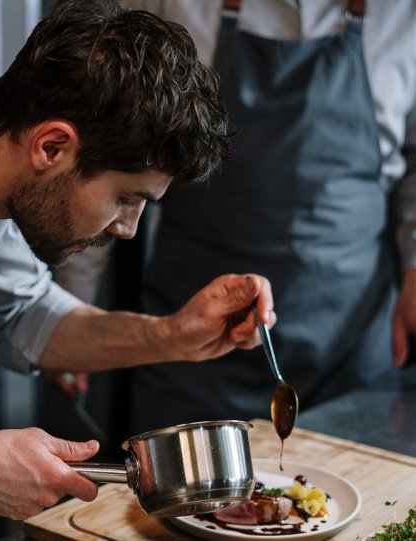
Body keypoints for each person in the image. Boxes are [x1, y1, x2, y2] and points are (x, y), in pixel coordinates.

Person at [0, 0, 275, 521]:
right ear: (52, 147)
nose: (127, 228)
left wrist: (173, 335)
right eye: (126, 198)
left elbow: (25, 316)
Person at [112, 0, 416, 435]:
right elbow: (109, 152)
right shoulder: (167, 5)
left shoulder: (404, 14)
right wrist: (76, 310)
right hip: (192, 335)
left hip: (350, 335)